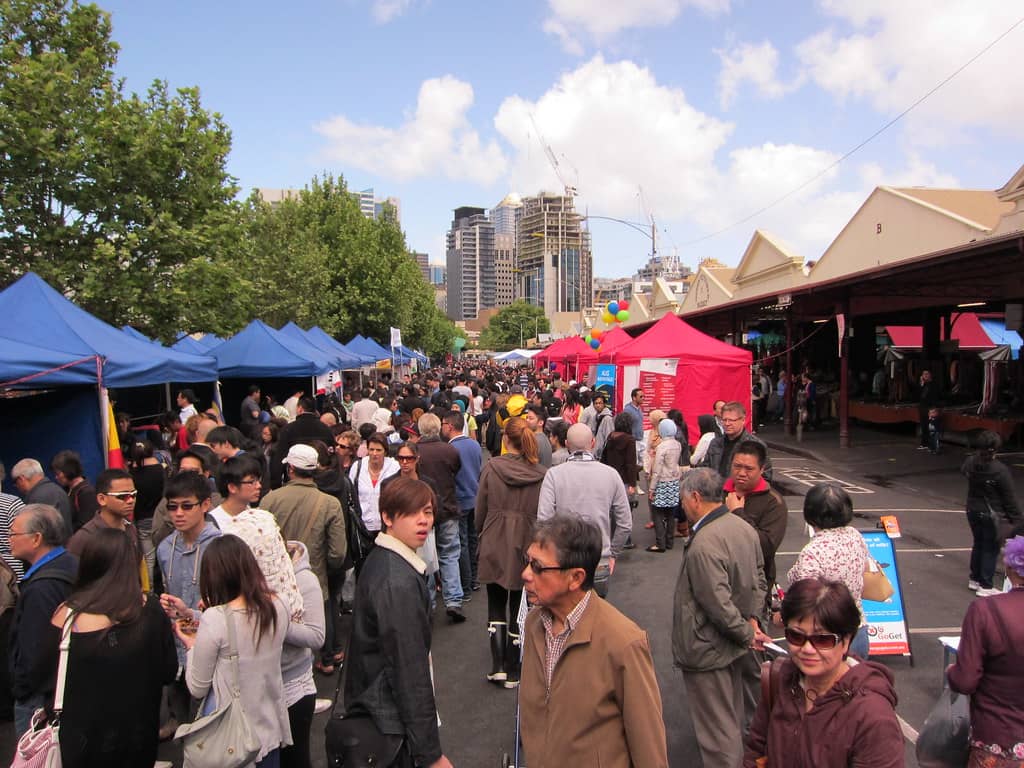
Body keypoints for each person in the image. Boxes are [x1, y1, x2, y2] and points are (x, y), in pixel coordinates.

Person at [519, 516, 669, 767]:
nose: (525, 574)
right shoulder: (534, 624)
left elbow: (649, 747)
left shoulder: (623, 642)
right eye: (526, 561)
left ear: (576, 578)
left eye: (537, 566)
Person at [343, 478, 454, 768]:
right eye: (411, 512)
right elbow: (408, 669)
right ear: (387, 517)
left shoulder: (385, 560)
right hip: (388, 723)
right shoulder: (397, 580)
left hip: (375, 712)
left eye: (428, 512)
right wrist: (430, 754)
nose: (423, 521)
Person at [48, 529, 177, 767]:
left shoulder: (64, 617)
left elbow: (42, 677)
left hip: (80, 742)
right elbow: (168, 670)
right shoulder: (150, 611)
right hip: (138, 738)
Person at [743, 578, 903, 768]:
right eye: (796, 636)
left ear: (846, 641)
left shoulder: (872, 716)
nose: (808, 649)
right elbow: (756, 750)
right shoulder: (782, 680)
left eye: (822, 640)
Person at [673, 468, 770, 768]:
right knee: (732, 716)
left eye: (684, 499)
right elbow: (759, 579)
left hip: (709, 644)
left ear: (696, 498)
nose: (683, 506)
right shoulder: (742, 527)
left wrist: (745, 631)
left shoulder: (705, 542)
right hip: (735, 639)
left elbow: (715, 602)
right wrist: (752, 620)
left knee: (718, 733)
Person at [174, 535, 292, 767]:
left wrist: (191, 646)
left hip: (232, 740)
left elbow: (197, 688)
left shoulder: (215, 618)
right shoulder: (280, 604)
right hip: (269, 731)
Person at [474, 416, 547, 689]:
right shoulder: (541, 473)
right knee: (520, 604)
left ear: (505, 439)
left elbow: (479, 507)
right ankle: (514, 668)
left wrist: (480, 531)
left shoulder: (492, 468)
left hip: (495, 535)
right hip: (526, 540)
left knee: (495, 602)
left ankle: (498, 666)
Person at [263, 443, 347, 673]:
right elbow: (338, 551)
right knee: (321, 613)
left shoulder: (270, 500)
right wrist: (327, 567)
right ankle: (328, 657)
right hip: (315, 572)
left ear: (290, 468)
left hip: (278, 577)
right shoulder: (329, 503)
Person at [156, 470, 222, 741]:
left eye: (186, 506)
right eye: (172, 507)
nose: (178, 514)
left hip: (211, 648)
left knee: (209, 726)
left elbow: (227, 606)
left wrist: (190, 613)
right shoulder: (164, 548)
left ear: (205, 505)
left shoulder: (220, 546)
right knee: (184, 726)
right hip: (176, 648)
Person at [948, 535, 1024, 766]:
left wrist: (952, 672)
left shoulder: (985, 610)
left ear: (1010, 569)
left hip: (997, 739)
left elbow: (965, 681)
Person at [537, 423, 632, 598]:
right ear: (593, 442)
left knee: (565, 617)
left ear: (566, 444)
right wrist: (613, 553)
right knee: (595, 617)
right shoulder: (611, 474)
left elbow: (543, 520)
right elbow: (625, 523)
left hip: (564, 559)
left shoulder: (554, 475)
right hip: (599, 559)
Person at [8, 504, 77, 737]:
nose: (9, 539)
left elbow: (36, 650)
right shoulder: (70, 564)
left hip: (40, 699)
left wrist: (23, 688)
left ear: (36, 538)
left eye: (14, 534)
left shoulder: (42, 587)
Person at [787, 484, 871, 659]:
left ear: (809, 513)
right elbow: (865, 569)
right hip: (858, 629)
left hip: (825, 639)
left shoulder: (813, 551)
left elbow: (805, 598)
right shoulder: (855, 535)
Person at [724, 440, 788, 603]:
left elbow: (767, 546)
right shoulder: (719, 492)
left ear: (762, 469)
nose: (741, 473)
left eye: (749, 469)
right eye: (737, 466)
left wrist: (739, 513)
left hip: (753, 587)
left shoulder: (773, 502)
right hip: (719, 578)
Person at [416, 412, 465, 622]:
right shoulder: (449, 450)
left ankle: (429, 602)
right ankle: (453, 599)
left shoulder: (416, 451)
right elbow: (456, 470)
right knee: (449, 554)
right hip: (448, 507)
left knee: (424, 558)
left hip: (423, 509)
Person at [962, 430, 1022, 596]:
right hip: (991, 513)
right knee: (990, 547)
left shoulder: (971, 462)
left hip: (972, 509)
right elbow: (1009, 498)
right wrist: (1018, 521)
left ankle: (974, 578)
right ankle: (985, 585)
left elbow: (964, 471)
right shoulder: (999, 470)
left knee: (979, 543)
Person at [443, 410, 483, 597]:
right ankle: (474, 579)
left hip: (459, 499)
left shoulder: (450, 449)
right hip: (475, 497)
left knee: (462, 543)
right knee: (473, 540)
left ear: (450, 426)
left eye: (444, 424)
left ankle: (466, 584)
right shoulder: (475, 445)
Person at [701, 401, 774, 483]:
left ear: (743, 420)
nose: (727, 424)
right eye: (724, 420)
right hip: (716, 493)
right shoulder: (715, 443)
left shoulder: (756, 445)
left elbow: (766, 477)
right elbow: (705, 469)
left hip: (743, 494)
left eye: (731, 420)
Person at [11, 458, 73, 533]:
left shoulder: (36, 499)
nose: (17, 486)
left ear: (21, 479)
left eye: (16, 483)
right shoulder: (59, 490)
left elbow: (37, 532)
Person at [648, 417, 682, 552]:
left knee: (657, 513)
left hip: (662, 481)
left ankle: (660, 543)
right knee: (670, 514)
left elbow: (657, 469)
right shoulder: (677, 444)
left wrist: (651, 488)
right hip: (674, 481)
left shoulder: (662, 446)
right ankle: (669, 541)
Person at [50, 450, 99, 533]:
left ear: (68, 471)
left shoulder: (87, 493)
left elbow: (86, 523)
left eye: (58, 473)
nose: (56, 477)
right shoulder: (66, 489)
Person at [917, 369, 938, 449]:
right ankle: (924, 443)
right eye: (924, 374)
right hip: (923, 407)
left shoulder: (933, 384)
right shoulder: (923, 385)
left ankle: (932, 445)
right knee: (923, 426)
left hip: (930, 407)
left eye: (927, 374)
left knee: (931, 427)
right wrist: (921, 384)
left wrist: (933, 407)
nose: (925, 376)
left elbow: (934, 396)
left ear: (930, 375)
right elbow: (919, 396)